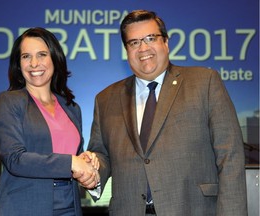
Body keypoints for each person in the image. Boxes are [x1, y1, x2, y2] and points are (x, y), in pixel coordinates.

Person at [79, 10, 248, 216]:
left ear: (166, 42)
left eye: (150, 38)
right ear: (126, 50)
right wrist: (92, 169)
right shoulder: (105, 99)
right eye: (134, 42)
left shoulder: (204, 82)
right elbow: (102, 155)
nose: (143, 48)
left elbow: (230, 156)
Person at [0, 27, 99, 216]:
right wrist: (70, 163)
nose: (34, 63)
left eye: (42, 54)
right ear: (18, 63)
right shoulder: (9, 102)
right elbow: (14, 159)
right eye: (26, 56)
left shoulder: (72, 108)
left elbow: (73, 156)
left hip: (70, 206)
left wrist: (85, 161)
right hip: (23, 207)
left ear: (54, 59)